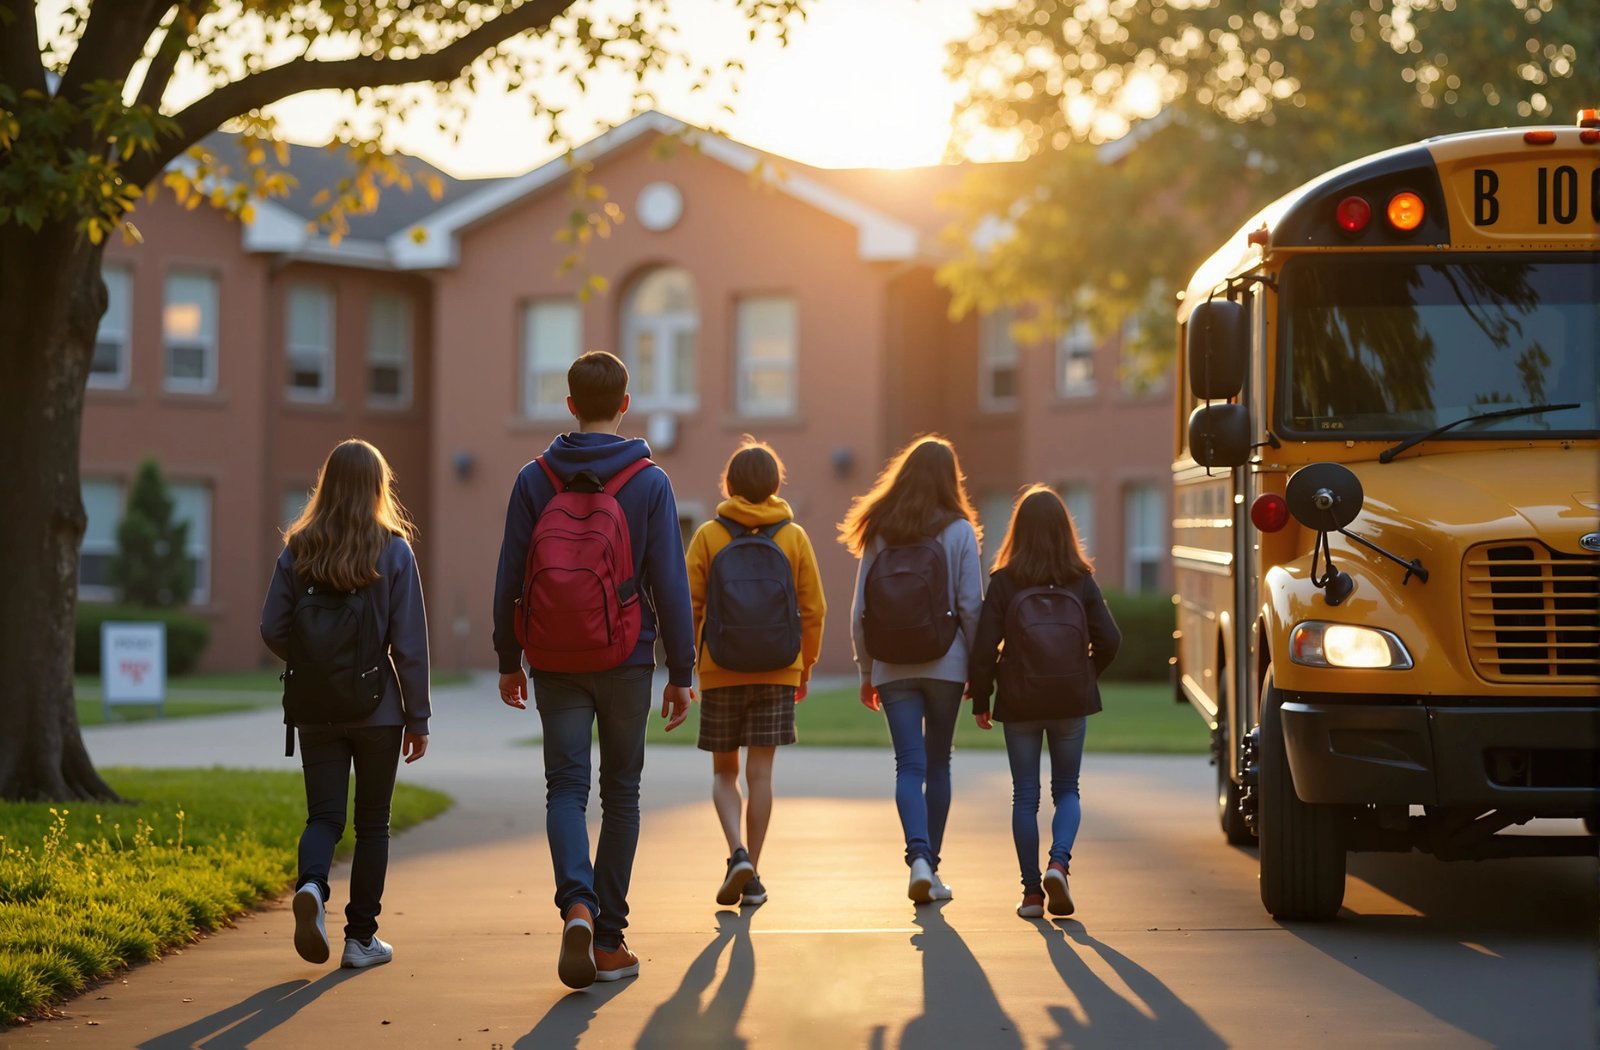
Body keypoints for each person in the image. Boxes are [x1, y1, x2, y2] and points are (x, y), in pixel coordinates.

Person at [493, 350, 695, 990]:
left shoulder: (534, 479)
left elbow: (508, 576)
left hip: (553, 657)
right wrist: (682, 670)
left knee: (566, 788)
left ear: (571, 404)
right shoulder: (649, 481)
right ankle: (607, 941)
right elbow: (669, 581)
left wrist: (507, 658)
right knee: (622, 793)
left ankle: (575, 904)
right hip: (628, 657)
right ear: (626, 405)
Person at [261, 438, 431, 970]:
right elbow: (410, 645)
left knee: (325, 817)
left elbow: (271, 628)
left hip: (315, 710)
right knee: (373, 823)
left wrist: (313, 660)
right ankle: (360, 940)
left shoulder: (299, 548)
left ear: (326, 485)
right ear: (378, 488)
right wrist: (418, 717)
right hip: (378, 711)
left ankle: (312, 885)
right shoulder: (395, 550)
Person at [840, 435, 983, 904]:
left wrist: (865, 670)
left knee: (908, 765)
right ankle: (931, 869)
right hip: (947, 662)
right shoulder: (959, 530)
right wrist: (979, 670)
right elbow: (970, 608)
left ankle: (917, 858)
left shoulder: (879, 529)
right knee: (938, 763)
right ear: (950, 480)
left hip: (891, 665)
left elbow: (861, 607)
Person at [967, 486, 1121, 919]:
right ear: (1064, 530)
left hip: (1019, 700)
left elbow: (982, 649)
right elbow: (1111, 639)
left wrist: (982, 697)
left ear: (1018, 530)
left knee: (1025, 796)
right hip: (1071, 698)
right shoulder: (1080, 578)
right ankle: (1060, 862)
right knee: (1067, 789)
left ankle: (1032, 894)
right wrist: (1084, 676)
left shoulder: (1005, 580)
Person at [685, 438, 826, 908]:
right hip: (777, 669)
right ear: (774, 484)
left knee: (725, 773)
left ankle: (736, 854)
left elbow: (689, 605)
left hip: (720, 667)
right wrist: (804, 666)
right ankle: (754, 875)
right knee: (760, 775)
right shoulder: (793, 536)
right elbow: (814, 609)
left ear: (729, 484)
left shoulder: (709, 535)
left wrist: (688, 667)